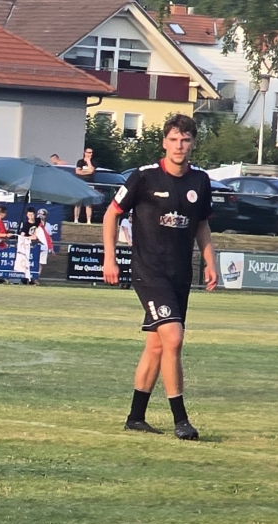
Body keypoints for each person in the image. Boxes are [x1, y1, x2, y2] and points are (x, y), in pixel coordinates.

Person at [105, 113, 217, 440]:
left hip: (179, 275)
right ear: (164, 142)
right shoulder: (144, 177)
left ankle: (135, 417)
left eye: (185, 140)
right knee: (174, 338)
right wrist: (110, 258)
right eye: (173, 139)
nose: (179, 145)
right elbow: (111, 214)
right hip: (149, 272)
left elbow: (202, 225)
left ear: (193, 144)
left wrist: (210, 262)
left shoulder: (200, 181)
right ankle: (181, 419)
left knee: (156, 345)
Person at [17, 208, 52, 284]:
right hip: (29, 247)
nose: (30, 216)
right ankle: (26, 278)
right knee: (29, 263)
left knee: (39, 263)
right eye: (29, 215)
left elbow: (44, 232)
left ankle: (35, 278)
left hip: (39, 245)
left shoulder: (38, 221)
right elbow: (22, 236)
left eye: (32, 214)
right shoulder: (26, 225)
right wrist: (30, 237)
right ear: (27, 215)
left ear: (34, 214)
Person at [73, 148, 97, 223]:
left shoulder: (93, 162)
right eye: (89, 152)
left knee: (88, 203)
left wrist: (88, 162)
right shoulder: (80, 162)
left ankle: (88, 220)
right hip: (80, 184)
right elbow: (78, 172)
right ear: (85, 153)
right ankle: (76, 219)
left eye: (92, 152)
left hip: (90, 184)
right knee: (78, 202)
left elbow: (92, 171)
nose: (91, 154)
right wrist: (87, 171)